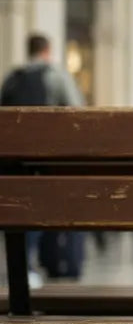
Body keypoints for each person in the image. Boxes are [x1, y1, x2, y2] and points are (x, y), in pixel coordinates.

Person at [1, 34, 85, 285]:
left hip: (12, 161)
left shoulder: (12, 78)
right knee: (41, 208)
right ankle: (47, 262)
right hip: (43, 159)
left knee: (20, 209)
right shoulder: (55, 75)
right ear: (47, 50)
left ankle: (24, 265)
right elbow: (77, 111)